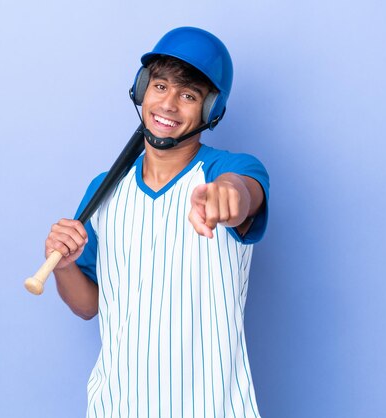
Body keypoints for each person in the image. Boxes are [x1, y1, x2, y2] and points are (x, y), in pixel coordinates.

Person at [45, 27, 269, 418]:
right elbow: (87, 306)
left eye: (188, 95)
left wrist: (229, 195)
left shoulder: (229, 171)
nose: (168, 104)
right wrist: (63, 267)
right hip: (116, 407)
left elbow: (244, 195)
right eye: (161, 86)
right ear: (142, 89)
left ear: (211, 110)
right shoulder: (105, 190)